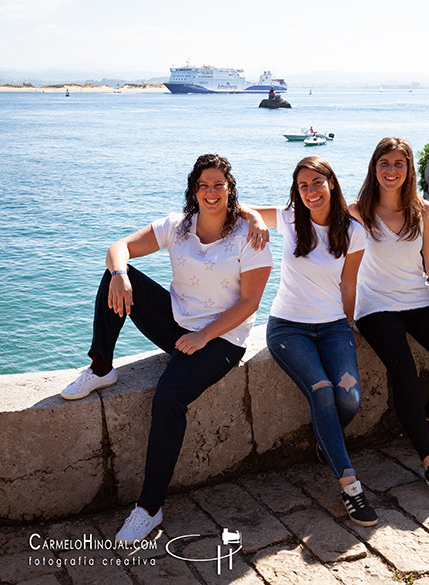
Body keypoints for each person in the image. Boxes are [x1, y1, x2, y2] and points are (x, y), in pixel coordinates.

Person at [60, 154, 272, 541]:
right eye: (204, 185)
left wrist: (203, 337)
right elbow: (119, 246)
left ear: (229, 189)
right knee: (114, 276)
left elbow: (249, 304)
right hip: (177, 323)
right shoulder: (178, 226)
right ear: (194, 189)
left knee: (168, 397)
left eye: (218, 185)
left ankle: (149, 508)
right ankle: (101, 367)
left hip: (222, 339)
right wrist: (121, 274)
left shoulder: (250, 236)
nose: (211, 192)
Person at [240, 156, 377, 526]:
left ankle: (325, 439)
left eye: (317, 183)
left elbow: (349, 283)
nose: (311, 191)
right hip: (288, 327)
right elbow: (236, 206)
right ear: (296, 192)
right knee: (321, 390)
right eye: (303, 186)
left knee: (347, 398)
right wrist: (254, 219)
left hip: (333, 325)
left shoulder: (354, 232)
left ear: (331, 183)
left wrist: (349, 325)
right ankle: (351, 487)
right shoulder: (288, 218)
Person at [350, 137, 429, 504]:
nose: (391, 171)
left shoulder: (424, 211)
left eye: (399, 164)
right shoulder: (358, 211)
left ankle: (425, 419)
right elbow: (311, 225)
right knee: (403, 369)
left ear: (408, 170)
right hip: (374, 307)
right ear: (374, 168)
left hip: (420, 300)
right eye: (384, 163)